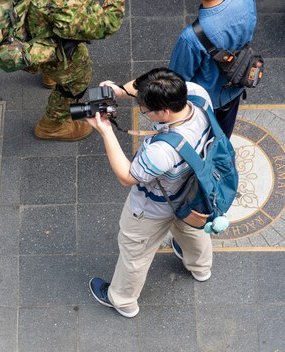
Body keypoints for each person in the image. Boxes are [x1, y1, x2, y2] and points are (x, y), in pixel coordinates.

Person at [86, 68, 214, 318]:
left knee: (135, 252)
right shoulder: (198, 95)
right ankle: (200, 268)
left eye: (144, 109)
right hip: (192, 194)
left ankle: (122, 300)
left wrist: (106, 131)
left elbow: (126, 176)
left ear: (164, 111)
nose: (142, 110)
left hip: (154, 207)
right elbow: (149, 84)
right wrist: (120, 91)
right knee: (191, 229)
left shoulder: (162, 152)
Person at [26, 0, 125, 141]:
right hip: (41, 37)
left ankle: (50, 72)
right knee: (78, 78)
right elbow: (108, 23)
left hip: (28, 31)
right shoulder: (64, 4)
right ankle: (51, 126)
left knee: (46, 31)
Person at [168, 0, 257, 138]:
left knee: (204, 142)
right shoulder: (246, 2)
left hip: (206, 102)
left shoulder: (190, 38)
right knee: (224, 134)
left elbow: (175, 81)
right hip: (237, 84)